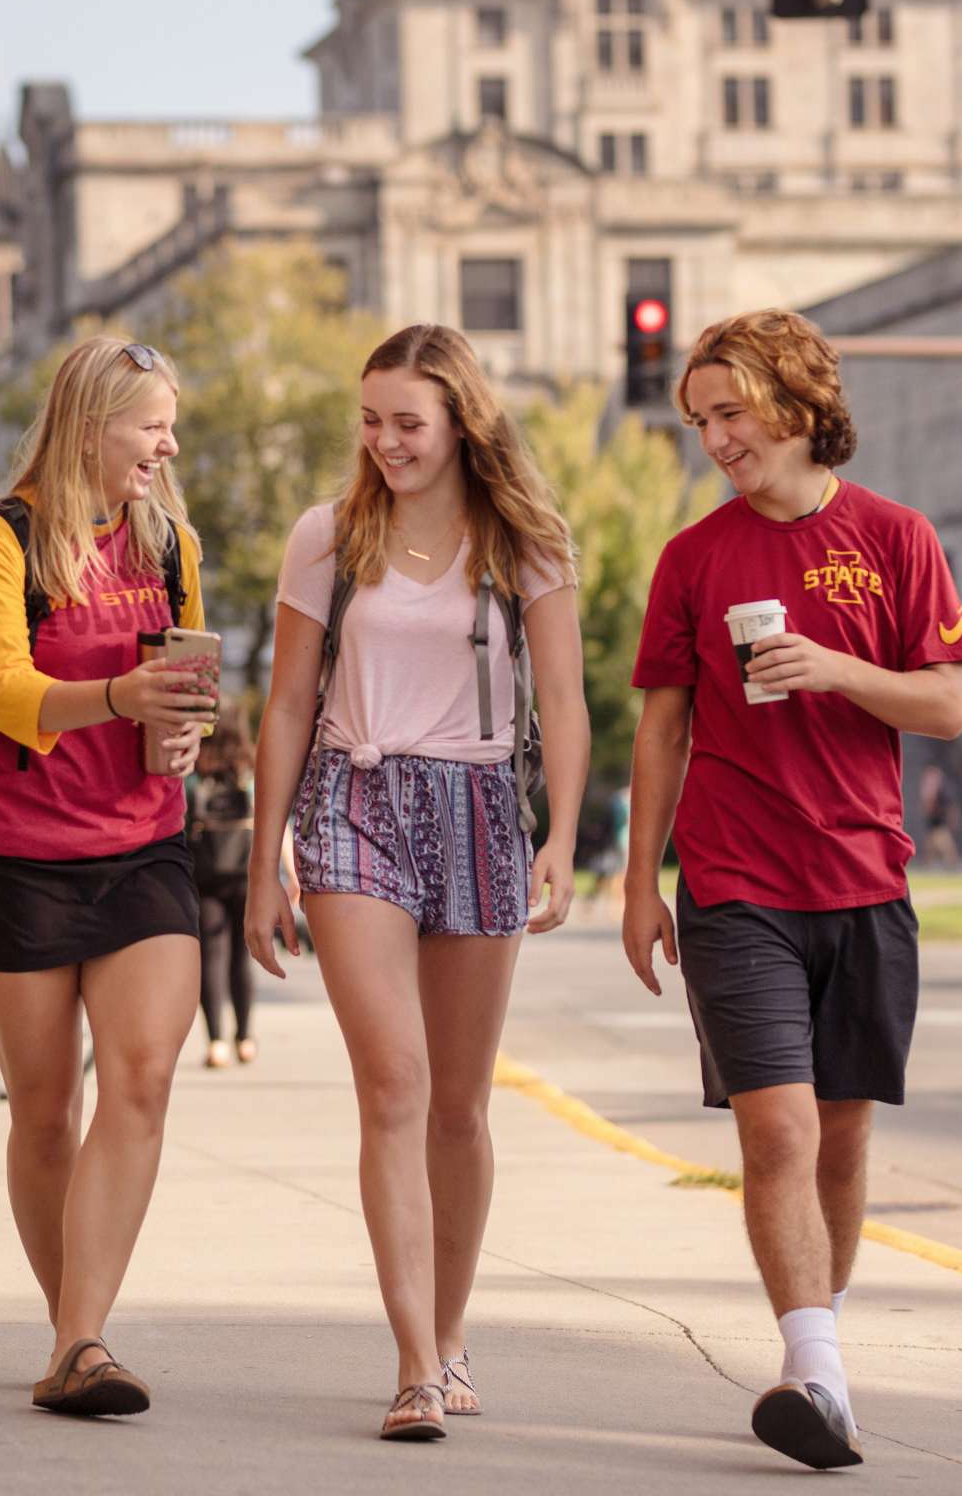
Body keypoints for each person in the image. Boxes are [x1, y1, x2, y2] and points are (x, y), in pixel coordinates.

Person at [621, 310, 962, 1471]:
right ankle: (812, 1370)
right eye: (701, 420)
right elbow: (663, 726)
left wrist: (834, 670)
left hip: (866, 881)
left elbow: (946, 706)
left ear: (794, 402)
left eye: (730, 412)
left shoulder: (897, 537)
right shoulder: (694, 556)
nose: (715, 437)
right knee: (773, 1129)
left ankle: (823, 1364)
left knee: (840, 1136)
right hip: (736, 885)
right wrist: (638, 883)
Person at [247, 322, 588, 1442]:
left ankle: (448, 1332)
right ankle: (411, 1366)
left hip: (484, 804)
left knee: (458, 1103)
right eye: (371, 421)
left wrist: (562, 837)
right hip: (354, 800)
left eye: (408, 423)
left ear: (460, 425)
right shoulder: (329, 536)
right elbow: (289, 703)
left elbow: (567, 704)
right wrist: (265, 862)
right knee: (392, 1083)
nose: (385, 442)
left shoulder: (522, 538)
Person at [0, 335, 215, 1418]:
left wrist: (178, 730)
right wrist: (119, 701)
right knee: (46, 1110)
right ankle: (75, 1341)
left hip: (142, 839)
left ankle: (82, 1339)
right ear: (91, 422)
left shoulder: (170, 541)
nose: (167, 443)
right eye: (151, 424)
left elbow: (174, 681)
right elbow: (1, 689)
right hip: (12, 850)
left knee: (142, 1076)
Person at [189, 708, 259, 1069]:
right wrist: (290, 873)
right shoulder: (249, 769)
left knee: (211, 956)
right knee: (241, 955)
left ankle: (216, 1041)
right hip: (246, 872)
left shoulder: (195, 768)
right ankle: (244, 1038)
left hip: (205, 873)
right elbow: (269, 819)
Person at [918, 764, 961, 870]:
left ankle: (951, 862)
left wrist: (953, 819)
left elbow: (950, 806)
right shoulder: (932, 787)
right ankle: (928, 862)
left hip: (939, 819)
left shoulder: (942, 789)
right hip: (933, 818)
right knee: (931, 842)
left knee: (943, 841)